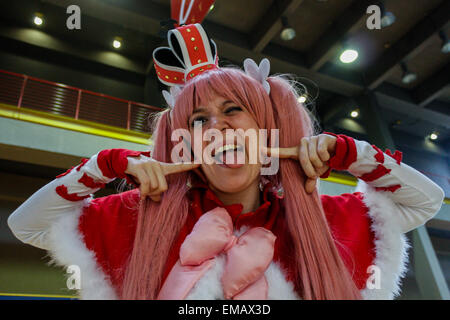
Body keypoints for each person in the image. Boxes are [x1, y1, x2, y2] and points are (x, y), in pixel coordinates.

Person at [7, 24, 444, 300]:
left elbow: (427, 201)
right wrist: (103, 166)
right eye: (200, 119)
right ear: (185, 142)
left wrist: (354, 155)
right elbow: (26, 226)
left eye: (234, 110)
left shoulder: (322, 219)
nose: (217, 127)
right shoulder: (137, 219)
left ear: (268, 127)